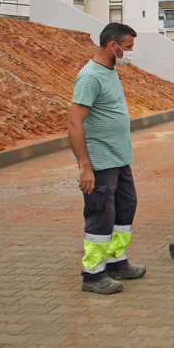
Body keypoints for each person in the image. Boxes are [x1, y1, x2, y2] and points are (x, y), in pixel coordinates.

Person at [67, 23, 146, 295]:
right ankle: (93, 275)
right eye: (129, 47)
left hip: (119, 158)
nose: (131, 53)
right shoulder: (90, 77)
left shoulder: (110, 71)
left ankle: (115, 261)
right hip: (100, 162)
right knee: (101, 214)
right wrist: (85, 167)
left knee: (125, 207)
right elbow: (74, 123)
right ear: (114, 46)